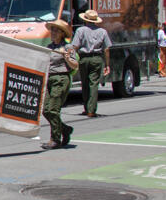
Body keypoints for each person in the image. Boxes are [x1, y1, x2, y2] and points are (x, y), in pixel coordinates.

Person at [40, 20, 78, 150]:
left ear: (62, 33)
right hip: (48, 79)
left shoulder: (68, 48)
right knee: (45, 110)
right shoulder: (49, 47)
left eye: (56, 30)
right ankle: (65, 129)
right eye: (52, 30)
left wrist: (67, 58)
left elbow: (75, 65)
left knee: (53, 110)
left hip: (60, 79)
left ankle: (55, 139)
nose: (53, 33)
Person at [71, 9, 113, 115]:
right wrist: (107, 64)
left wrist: (71, 59)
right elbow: (107, 49)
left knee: (84, 83)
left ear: (85, 20)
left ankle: (86, 107)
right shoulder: (103, 31)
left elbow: (75, 46)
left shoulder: (80, 30)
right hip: (97, 58)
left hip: (84, 58)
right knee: (93, 84)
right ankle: (92, 109)